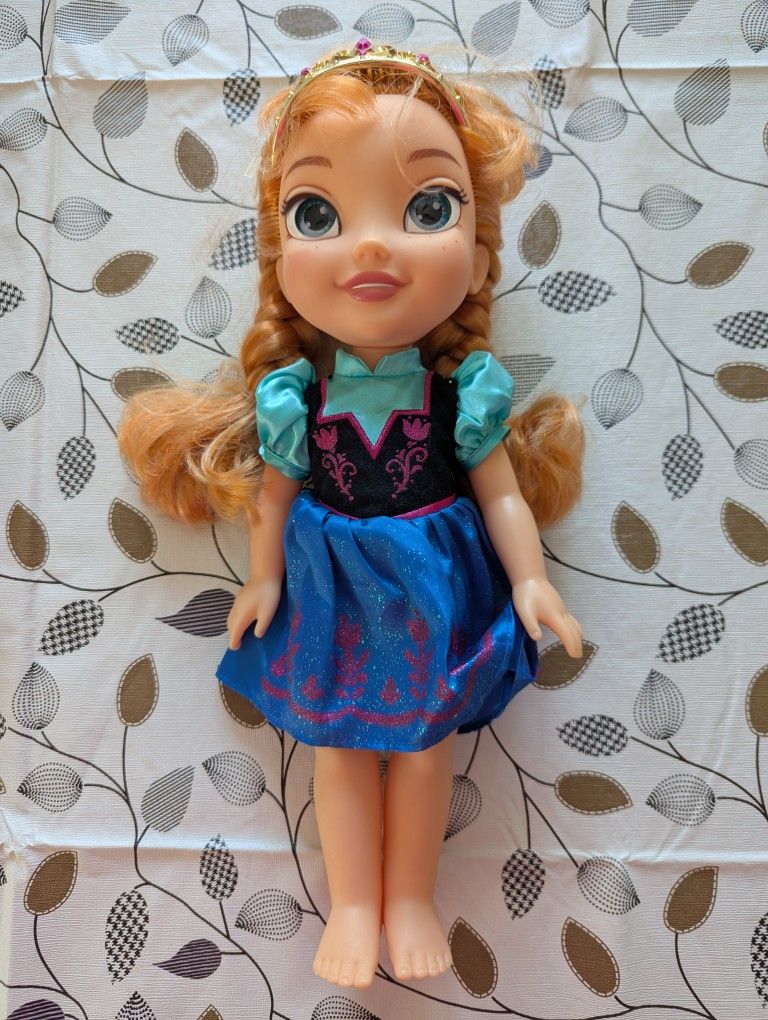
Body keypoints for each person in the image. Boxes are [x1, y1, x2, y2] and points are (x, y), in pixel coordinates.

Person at [117, 40, 585, 990]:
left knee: (423, 747)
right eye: (318, 214)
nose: (371, 247)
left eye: (427, 208)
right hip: (328, 585)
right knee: (334, 744)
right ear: (280, 256)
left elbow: (499, 491)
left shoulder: (463, 396)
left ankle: (408, 897)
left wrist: (532, 579)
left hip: (431, 584)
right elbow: (278, 491)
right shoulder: (296, 398)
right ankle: (353, 905)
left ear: (478, 256)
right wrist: (261, 576)